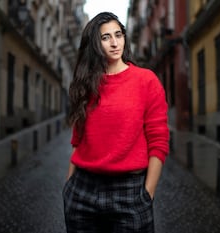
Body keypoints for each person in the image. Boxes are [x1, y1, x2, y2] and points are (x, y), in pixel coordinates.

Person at [62, 12, 169, 233]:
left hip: (129, 192)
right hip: (82, 190)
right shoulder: (86, 84)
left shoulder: (146, 80)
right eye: (105, 37)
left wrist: (147, 195)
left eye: (118, 35)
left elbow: (158, 141)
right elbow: (78, 140)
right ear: (95, 44)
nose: (114, 43)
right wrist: (69, 185)